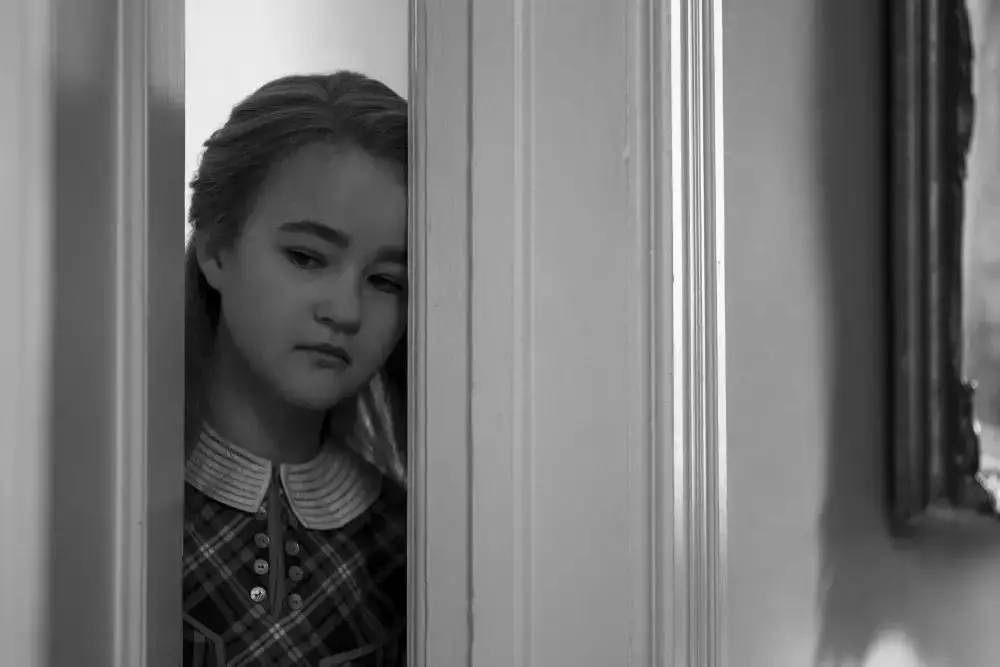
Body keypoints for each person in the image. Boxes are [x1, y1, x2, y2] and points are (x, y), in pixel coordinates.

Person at [182, 71, 408, 666]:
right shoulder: (105, 506)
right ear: (215, 247)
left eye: (387, 280)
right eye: (307, 257)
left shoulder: (413, 543)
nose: (346, 310)